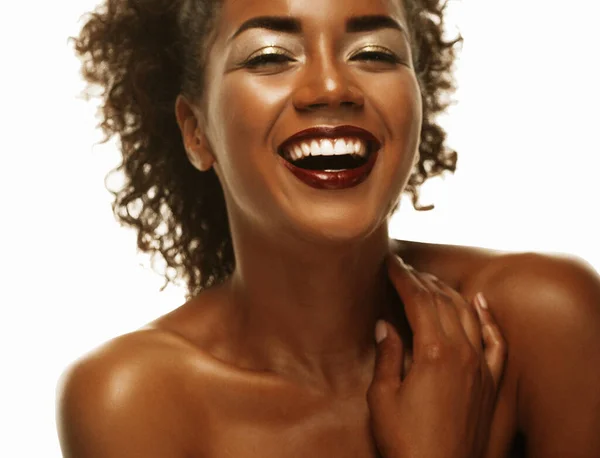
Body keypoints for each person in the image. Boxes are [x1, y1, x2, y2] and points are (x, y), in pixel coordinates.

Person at [56, 0, 600, 456]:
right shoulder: (134, 399)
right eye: (271, 56)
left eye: (375, 53)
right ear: (196, 131)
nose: (332, 85)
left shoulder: (540, 320)